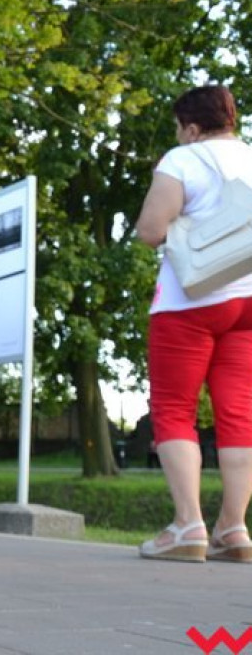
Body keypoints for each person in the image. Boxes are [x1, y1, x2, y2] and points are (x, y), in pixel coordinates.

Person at [134, 85, 252, 563]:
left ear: (193, 127)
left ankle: (188, 525)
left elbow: (150, 231)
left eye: (179, 128)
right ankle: (234, 527)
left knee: (174, 410)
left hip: (190, 301)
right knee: (240, 414)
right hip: (248, 302)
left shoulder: (182, 160)